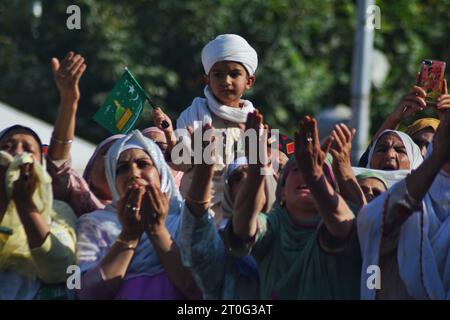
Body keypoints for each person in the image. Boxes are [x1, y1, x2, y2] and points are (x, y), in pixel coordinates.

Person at [223, 113, 361, 299]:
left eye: (319, 172)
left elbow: (343, 227)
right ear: (282, 192)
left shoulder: (344, 218)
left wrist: (315, 177)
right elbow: (242, 228)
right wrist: (256, 170)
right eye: (296, 170)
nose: (304, 175)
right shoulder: (273, 224)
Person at [76, 130, 200, 299]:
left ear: (161, 173)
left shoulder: (187, 219)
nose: (133, 173)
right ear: (113, 179)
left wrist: (157, 231)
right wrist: (129, 236)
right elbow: (83, 293)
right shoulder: (93, 223)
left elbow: (201, 288)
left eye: (143, 164)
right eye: (122, 168)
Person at [358, 106, 450, 299]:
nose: (390, 155)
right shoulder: (369, 207)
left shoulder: (433, 209)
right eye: (381, 149)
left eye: (400, 150)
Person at [174, 34, 258, 225]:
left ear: (249, 81)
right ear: (207, 79)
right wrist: (192, 150)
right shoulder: (192, 114)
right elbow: (180, 162)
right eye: (218, 74)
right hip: (191, 210)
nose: (226, 81)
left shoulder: (255, 122)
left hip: (236, 218)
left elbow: (263, 174)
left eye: (234, 74)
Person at [0, 125, 77, 299]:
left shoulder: (57, 211)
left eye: (28, 149)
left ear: (40, 164)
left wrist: (25, 205)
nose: (18, 154)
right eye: (7, 147)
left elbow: (62, 269)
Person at [47, 51, 123, 216]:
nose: (114, 160)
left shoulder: (149, 221)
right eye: (107, 152)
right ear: (91, 166)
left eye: (122, 158)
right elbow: (58, 164)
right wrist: (69, 101)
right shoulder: (71, 192)